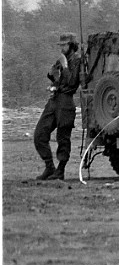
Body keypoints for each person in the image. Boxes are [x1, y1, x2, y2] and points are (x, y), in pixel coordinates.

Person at [33, 32, 82, 180]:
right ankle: (49, 167)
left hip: (66, 101)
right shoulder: (62, 59)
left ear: (71, 45)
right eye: (60, 45)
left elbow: (72, 82)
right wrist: (52, 72)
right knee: (40, 134)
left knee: (63, 138)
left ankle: (60, 170)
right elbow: (53, 74)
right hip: (54, 99)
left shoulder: (77, 60)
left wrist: (65, 66)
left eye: (64, 45)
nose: (62, 48)